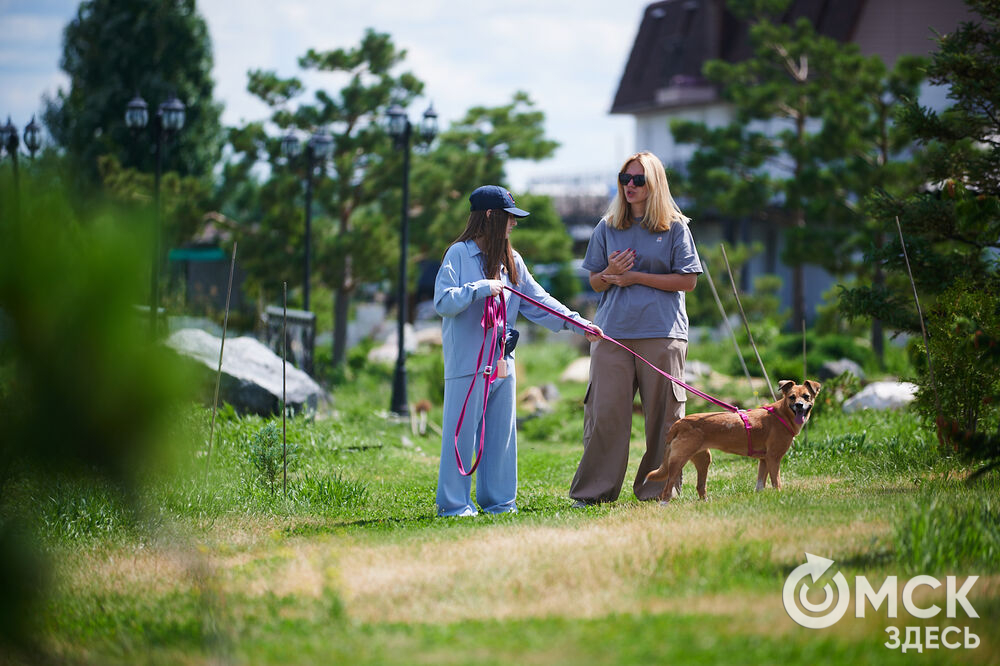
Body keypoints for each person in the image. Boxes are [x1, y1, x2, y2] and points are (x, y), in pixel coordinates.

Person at [434, 185, 602, 517]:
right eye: (510, 218)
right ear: (490, 217)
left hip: (501, 362)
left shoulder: (513, 260)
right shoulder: (457, 254)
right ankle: (453, 506)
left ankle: (499, 504)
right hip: (467, 364)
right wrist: (480, 288)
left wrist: (578, 323)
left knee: (501, 437)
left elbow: (539, 303)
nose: (514, 224)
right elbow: (443, 301)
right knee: (461, 436)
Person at [569, 152, 702, 506]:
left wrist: (634, 277)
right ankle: (593, 493)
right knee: (605, 414)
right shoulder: (606, 227)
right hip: (612, 334)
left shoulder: (675, 227)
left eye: (638, 180)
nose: (630, 185)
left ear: (654, 184)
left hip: (662, 334)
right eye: (625, 178)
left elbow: (687, 281)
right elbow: (596, 284)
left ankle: (658, 490)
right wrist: (610, 272)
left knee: (665, 419)